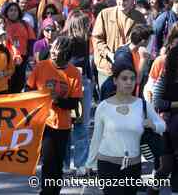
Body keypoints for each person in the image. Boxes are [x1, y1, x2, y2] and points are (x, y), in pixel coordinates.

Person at [86, 64, 165, 195]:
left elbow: (162, 125)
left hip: (133, 166)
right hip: (107, 165)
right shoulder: (103, 107)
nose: (129, 82)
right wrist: (90, 163)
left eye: (132, 78)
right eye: (124, 78)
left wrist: (153, 125)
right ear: (115, 80)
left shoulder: (142, 104)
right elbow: (97, 137)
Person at [27, 36, 83, 195]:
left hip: (63, 125)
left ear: (66, 54)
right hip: (45, 122)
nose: (53, 53)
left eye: (57, 51)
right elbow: (28, 89)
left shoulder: (74, 73)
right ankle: (46, 191)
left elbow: (73, 103)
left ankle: (53, 191)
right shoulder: (41, 66)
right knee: (48, 161)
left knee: (57, 164)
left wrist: (56, 100)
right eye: (52, 49)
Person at [92, 0, 146, 89]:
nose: (121, 2)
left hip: (129, 70)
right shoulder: (104, 14)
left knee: (126, 103)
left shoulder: (139, 17)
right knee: (107, 102)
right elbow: (96, 38)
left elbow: (144, 40)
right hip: (107, 68)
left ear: (132, 0)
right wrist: (109, 54)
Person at [62, 11, 93, 176]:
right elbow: (59, 64)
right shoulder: (65, 41)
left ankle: (80, 163)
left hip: (84, 83)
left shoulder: (85, 40)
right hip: (69, 87)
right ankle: (65, 163)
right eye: (85, 24)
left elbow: (86, 63)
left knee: (82, 124)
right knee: (66, 125)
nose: (88, 27)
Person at [152, 44, 178, 195]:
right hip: (168, 125)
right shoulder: (165, 78)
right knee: (167, 166)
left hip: (170, 126)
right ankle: (153, 189)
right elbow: (156, 101)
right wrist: (175, 104)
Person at [3, 2, 36, 93]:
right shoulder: (3, 25)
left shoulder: (25, 24)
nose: (13, 12)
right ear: (6, 12)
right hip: (6, 58)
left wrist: (30, 56)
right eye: (10, 10)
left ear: (19, 12)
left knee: (20, 81)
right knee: (8, 82)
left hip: (22, 58)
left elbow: (31, 40)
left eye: (15, 10)